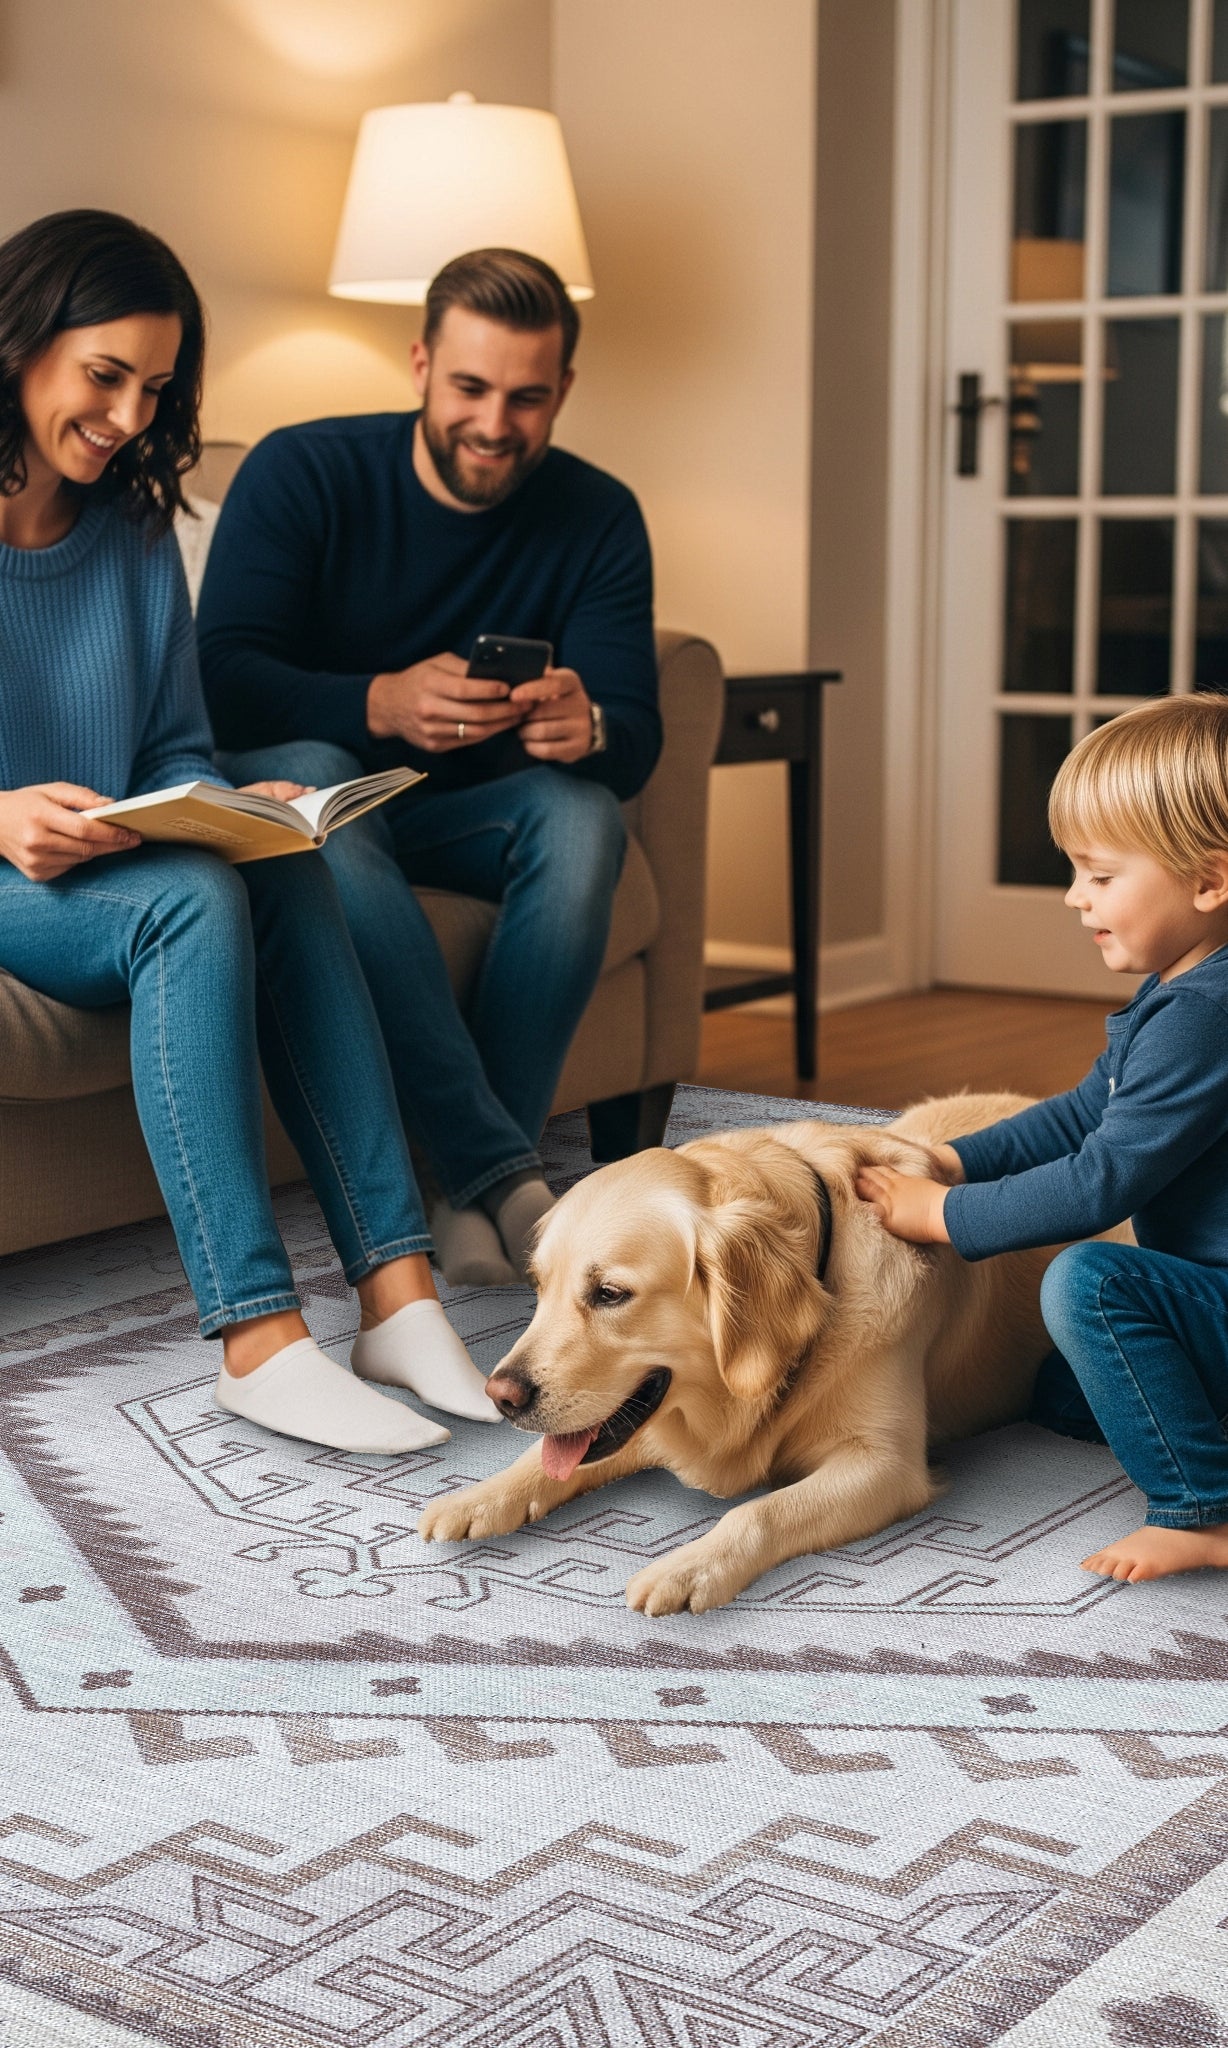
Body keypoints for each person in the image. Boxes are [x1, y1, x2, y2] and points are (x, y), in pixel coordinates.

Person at [0, 208, 500, 1453]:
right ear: (20, 342)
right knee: (191, 901)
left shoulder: (131, 526)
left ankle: (397, 1294)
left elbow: (172, 742)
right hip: (16, 871)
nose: (127, 416)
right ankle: (257, 1339)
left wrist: (227, 804)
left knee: (274, 863)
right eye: (104, 375)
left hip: (105, 859)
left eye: (154, 388)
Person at [197, 247, 661, 1288]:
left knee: (584, 813)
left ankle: (461, 1188)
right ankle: (501, 1174)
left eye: (527, 398)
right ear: (419, 365)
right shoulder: (303, 470)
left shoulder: (597, 514)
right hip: (312, 793)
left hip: (461, 816)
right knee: (322, 769)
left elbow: (635, 730)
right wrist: (377, 700)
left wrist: (588, 725)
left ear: (563, 390)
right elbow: (219, 678)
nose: (494, 424)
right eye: (469, 388)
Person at [856, 694, 1228, 1584]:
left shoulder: (1203, 1018)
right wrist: (952, 1158)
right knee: (1057, 1392)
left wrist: (943, 1213)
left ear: (1209, 882)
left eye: (1099, 876)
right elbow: (1082, 1112)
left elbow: (1099, 1182)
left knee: (1089, 1284)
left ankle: (1202, 1508)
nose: (1074, 896)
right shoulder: (1183, 989)